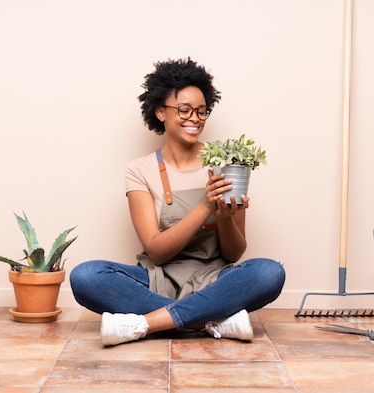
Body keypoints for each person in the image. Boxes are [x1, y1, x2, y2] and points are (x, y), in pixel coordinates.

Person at [70, 57, 285, 347]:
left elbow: (234, 254)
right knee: (86, 276)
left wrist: (224, 217)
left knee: (269, 272)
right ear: (160, 112)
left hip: (214, 280)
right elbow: (156, 251)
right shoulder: (140, 170)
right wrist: (206, 207)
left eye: (201, 111)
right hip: (156, 280)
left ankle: (147, 323)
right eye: (184, 110)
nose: (194, 118)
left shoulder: (226, 164)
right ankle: (211, 320)